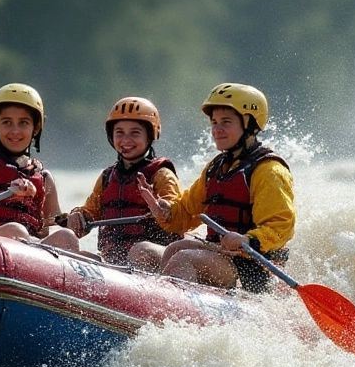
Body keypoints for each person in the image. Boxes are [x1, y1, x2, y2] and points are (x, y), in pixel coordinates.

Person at [137, 83, 294, 292]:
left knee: (184, 258)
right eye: (214, 122)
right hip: (221, 253)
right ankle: (159, 304)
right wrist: (165, 213)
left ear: (249, 124)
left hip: (252, 266)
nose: (217, 130)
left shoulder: (269, 171)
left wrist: (247, 239)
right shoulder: (216, 167)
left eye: (226, 122)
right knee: (176, 248)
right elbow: (186, 212)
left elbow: (281, 226)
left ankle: (170, 314)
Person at [0, 83, 79, 250]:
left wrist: (73, 220)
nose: (15, 131)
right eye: (7, 122)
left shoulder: (43, 177)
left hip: (31, 255)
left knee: (67, 237)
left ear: (35, 128)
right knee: (15, 230)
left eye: (23, 123)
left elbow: (51, 227)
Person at [64, 97, 181, 269]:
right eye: (119, 132)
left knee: (140, 250)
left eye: (135, 133)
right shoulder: (107, 177)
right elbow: (90, 211)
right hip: (115, 262)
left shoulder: (162, 175)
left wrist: (160, 207)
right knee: (72, 253)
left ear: (151, 135)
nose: (126, 140)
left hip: (153, 255)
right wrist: (78, 216)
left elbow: (177, 214)